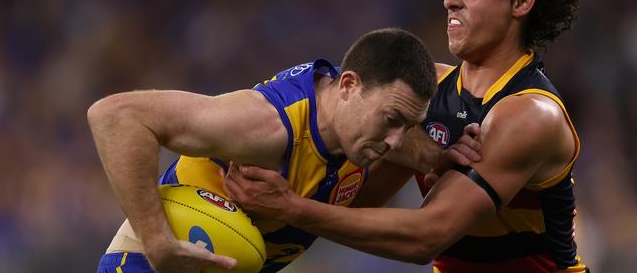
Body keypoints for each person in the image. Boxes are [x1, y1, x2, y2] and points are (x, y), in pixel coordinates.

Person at [224, 0, 588, 273]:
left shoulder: (531, 114)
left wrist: (290, 206)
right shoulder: (429, 89)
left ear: (522, 2)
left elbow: (425, 237)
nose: (450, 1)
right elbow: (355, 202)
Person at [88, 28, 481, 273]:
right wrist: (157, 242)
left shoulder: (362, 131)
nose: (397, 141)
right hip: (149, 266)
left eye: (408, 126)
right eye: (392, 119)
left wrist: (431, 155)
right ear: (347, 86)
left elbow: (410, 138)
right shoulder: (264, 126)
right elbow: (116, 116)